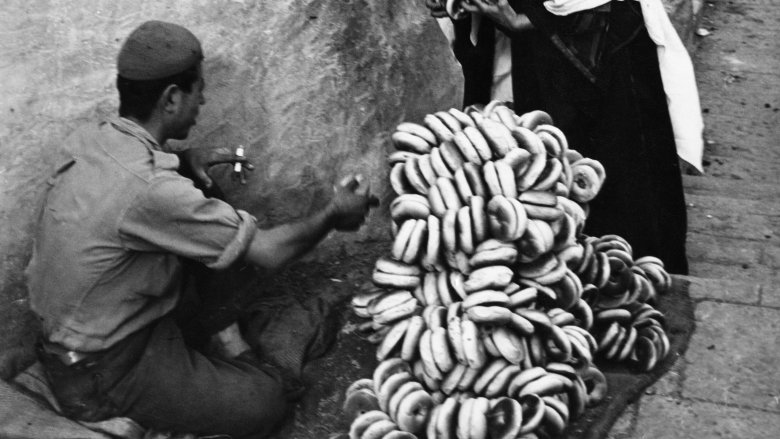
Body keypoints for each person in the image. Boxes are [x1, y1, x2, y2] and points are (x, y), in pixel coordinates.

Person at [24, 20, 378, 438]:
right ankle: (124, 403)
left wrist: (185, 160)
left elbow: (132, 196)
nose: (204, 99)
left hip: (89, 335)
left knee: (203, 198)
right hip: (102, 370)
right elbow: (267, 251)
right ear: (172, 98)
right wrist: (333, 214)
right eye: (199, 90)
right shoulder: (152, 188)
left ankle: (216, 338)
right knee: (265, 401)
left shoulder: (95, 141)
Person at [429, 0, 705, 274]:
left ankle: (622, 283)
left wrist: (526, 21)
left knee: (612, 193)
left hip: (598, 43)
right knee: (536, 184)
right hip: (525, 46)